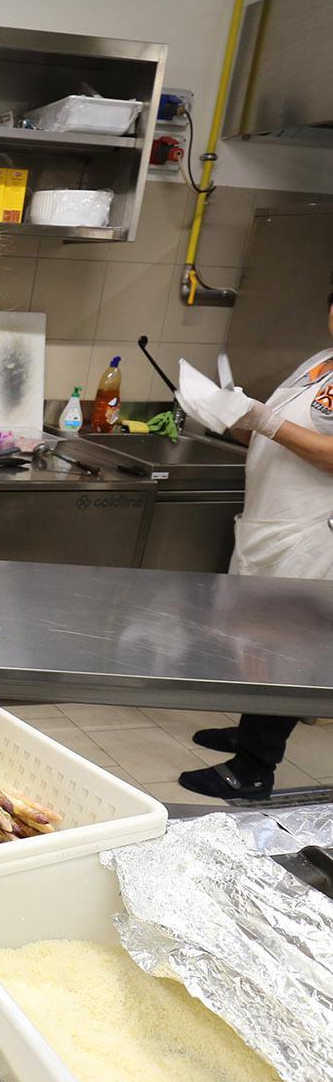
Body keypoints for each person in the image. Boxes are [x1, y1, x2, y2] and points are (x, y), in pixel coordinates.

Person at [177, 281, 333, 799]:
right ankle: (250, 731)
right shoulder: (321, 362)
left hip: (311, 536)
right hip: (270, 526)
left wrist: (263, 418)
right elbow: (277, 430)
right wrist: (232, 416)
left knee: (287, 649)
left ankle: (254, 766)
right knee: (258, 639)